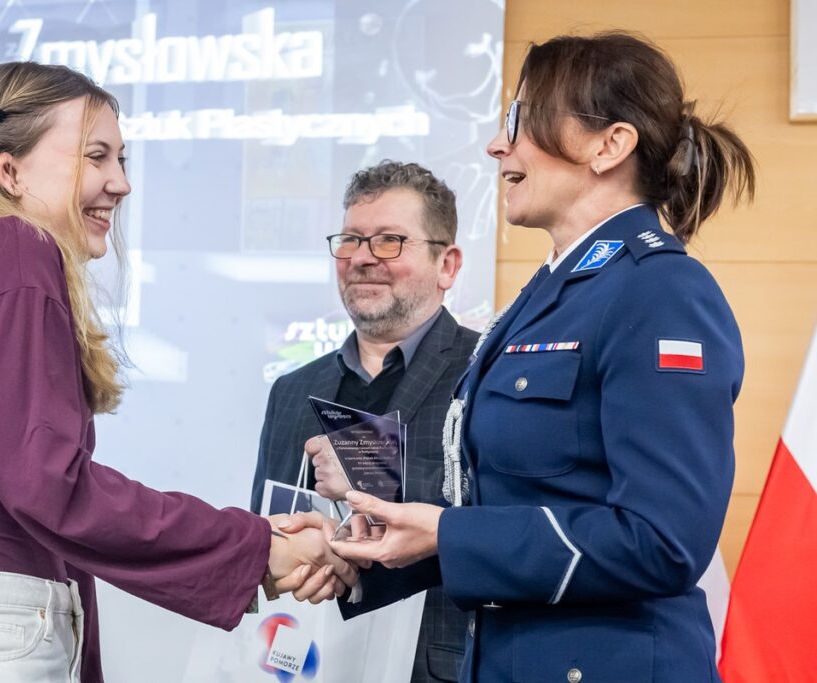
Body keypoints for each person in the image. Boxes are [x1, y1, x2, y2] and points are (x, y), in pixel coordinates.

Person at [0, 62, 353, 683]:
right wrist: (255, 545)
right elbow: (51, 485)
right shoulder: (13, 252)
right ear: (10, 171)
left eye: (122, 160)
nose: (121, 184)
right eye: (96, 157)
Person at [285, 31, 755, 682]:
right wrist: (367, 554)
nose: (496, 144)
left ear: (609, 144)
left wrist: (448, 535)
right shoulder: (552, 294)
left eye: (520, 119)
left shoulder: (661, 292)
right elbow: (519, 504)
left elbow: (661, 541)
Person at [251, 161, 477, 682]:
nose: (363, 258)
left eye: (390, 241)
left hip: (436, 667)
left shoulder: (488, 374)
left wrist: (369, 468)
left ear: (448, 265)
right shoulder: (291, 391)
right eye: (351, 239)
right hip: (303, 661)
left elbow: (504, 521)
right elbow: (268, 526)